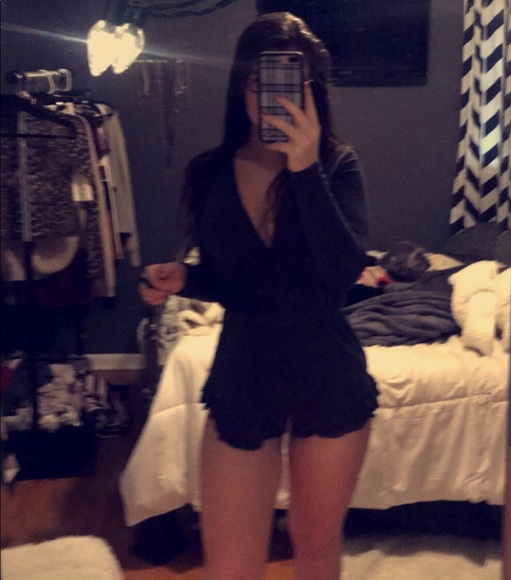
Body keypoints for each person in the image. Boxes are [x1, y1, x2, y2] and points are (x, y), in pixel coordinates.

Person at [138, 12, 378, 580]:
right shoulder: (209, 172)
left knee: (315, 549)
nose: (269, 96)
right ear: (240, 85)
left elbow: (343, 273)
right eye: (258, 80)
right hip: (243, 370)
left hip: (327, 370)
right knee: (229, 564)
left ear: (312, 91)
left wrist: (305, 168)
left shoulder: (337, 165)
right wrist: (186, 280)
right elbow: (234, 280)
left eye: (293, 81)